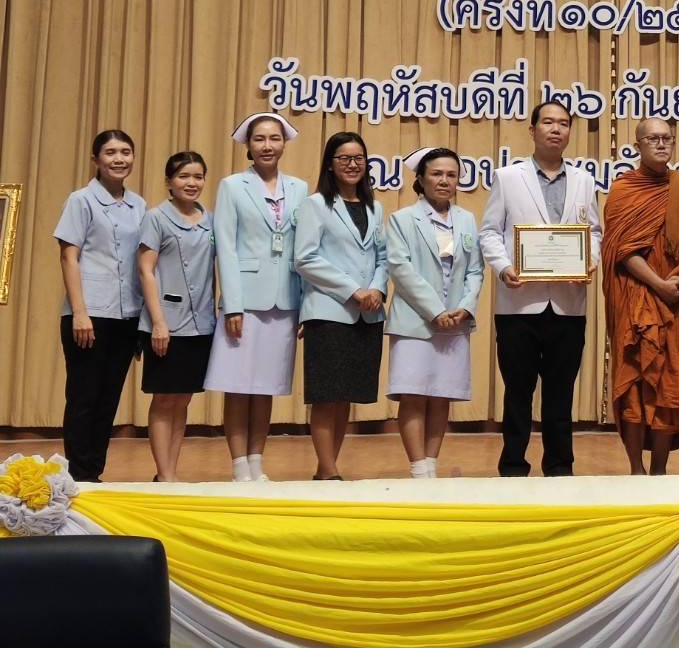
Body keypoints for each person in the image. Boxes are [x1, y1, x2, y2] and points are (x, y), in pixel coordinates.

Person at [479, 101, 602, 477]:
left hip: (568, 306)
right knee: (518, 392)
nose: (556, 129)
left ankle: (560, 468)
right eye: (548, 122)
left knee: (561, 394)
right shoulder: (507, 177)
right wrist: (503, 268)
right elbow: (489, 232)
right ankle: (513, 467)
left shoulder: (584, 180)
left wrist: (588, 260)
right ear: (532, 130)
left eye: (563, 123)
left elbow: (593, 231)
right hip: (518, 305)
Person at [204, 113, 308, 481]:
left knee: (266, 386)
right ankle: (238, 467)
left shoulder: (300, 188)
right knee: (237, 386)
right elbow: (226, 247)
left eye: (274, 138)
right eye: (259, 139)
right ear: (248, 145)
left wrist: (305, 305)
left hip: (285, 300)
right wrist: (232, 304)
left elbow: (304, 248)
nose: (267, 145)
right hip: (245, 301)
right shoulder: (232, 186)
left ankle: (257, 462)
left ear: (284, 143)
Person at [601, 118, 679, 475]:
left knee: (670, 381)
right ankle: (636, 468)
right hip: (636, 294)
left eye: (667, 139)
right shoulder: (624, 190)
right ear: (638, 146)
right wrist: (659, 284)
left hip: (678, 296)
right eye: (653, 139)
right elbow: (620, 248)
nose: (661, 145)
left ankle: (660, 468)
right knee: (635, 381)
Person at [53, 129, 146, 483]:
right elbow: (68, 256)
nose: (119, 158)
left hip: (127, 314)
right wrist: (80, 312)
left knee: (108, 399)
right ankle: (78, 475)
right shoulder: (81, 200)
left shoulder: (139, 205)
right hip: (89, 314)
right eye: (110, 152)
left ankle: (94, 473)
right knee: (84, 397)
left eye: (125, 151)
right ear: (96, 159)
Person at [386, 147, 485, 478]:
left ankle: (431, 464)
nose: (444, 181)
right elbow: (401, 269)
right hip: (414, 321)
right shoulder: (402, 219)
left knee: (442, 395)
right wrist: (434, 310)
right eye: (437, 174)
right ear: (421, 178)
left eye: (451, 175)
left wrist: (465, 306)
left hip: (454, 321)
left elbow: (475, 270)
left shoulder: (466, 219)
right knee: (414, 394)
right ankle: (418, 467)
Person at [294, 131, 387, 480]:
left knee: (345, 395)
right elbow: (305, 258)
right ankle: (329, 471)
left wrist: (376, 288)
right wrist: (352, 290)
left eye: (359, 158)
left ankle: (327, 469)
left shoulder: (375, 207)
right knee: (326, 395)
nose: (352, 164)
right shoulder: (315, 205)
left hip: (368, 314)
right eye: (344, 158)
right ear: (330, 165)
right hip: (328, 311)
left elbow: (383, 257)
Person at [137, 152, 216, 482]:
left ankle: (170, 471)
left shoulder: (210, 219)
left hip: (201, 324)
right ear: (169, 182)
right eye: (184, 176)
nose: (192, 183)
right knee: (164, 398)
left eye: (198, 176)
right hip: (166, 323)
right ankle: (165, 474)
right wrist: (158, 322)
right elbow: (146, 270)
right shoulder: (156, 217)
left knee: (183, 400)